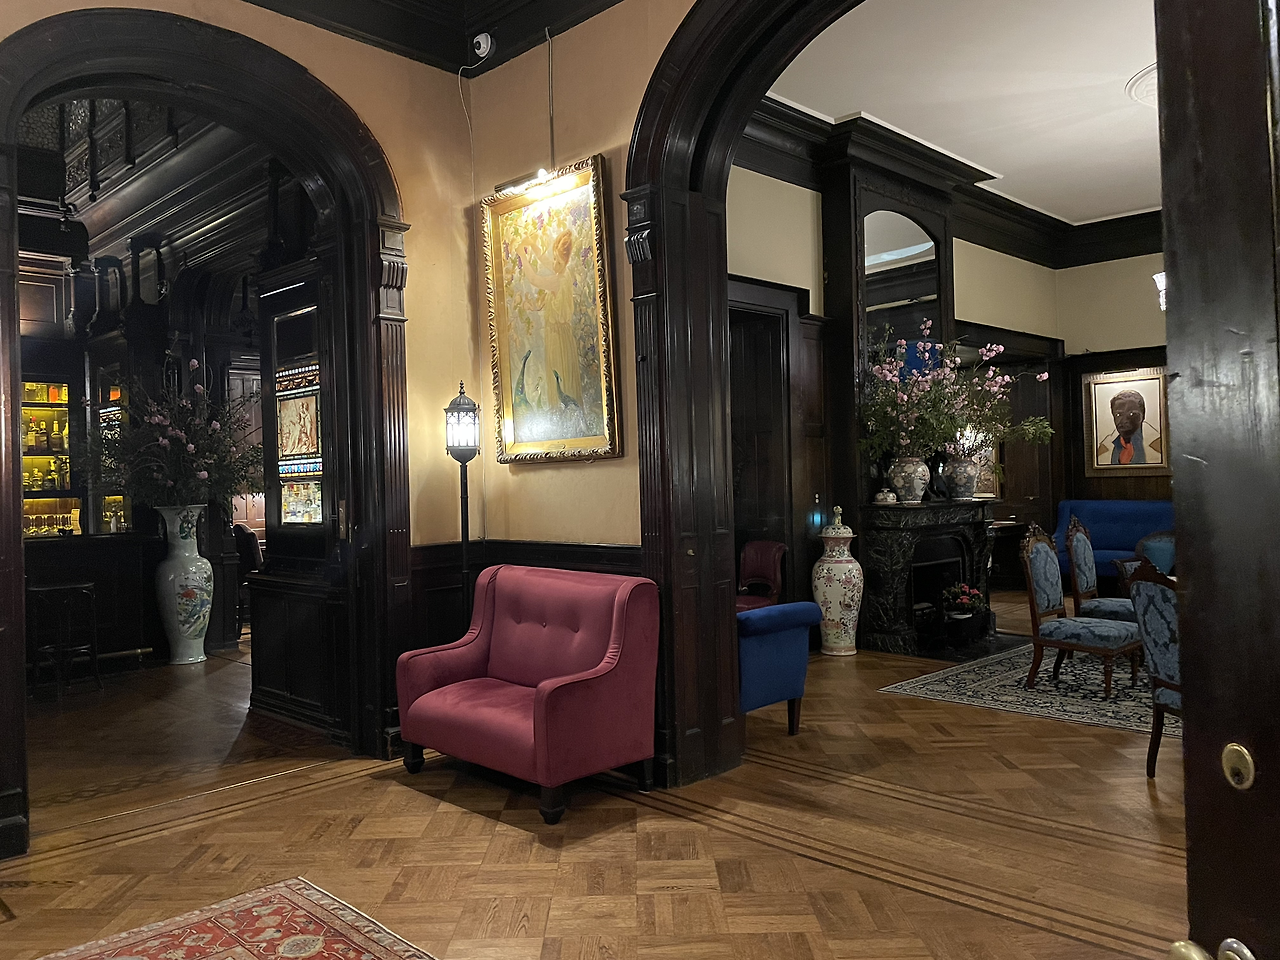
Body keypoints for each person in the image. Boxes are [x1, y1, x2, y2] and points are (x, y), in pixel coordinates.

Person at [1096, 388, 1163, 465]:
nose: (1124, 420)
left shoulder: (1159, 446)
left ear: (1143, 415)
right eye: (1118, 414)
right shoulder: (1104, 449)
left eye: (1132, 414)